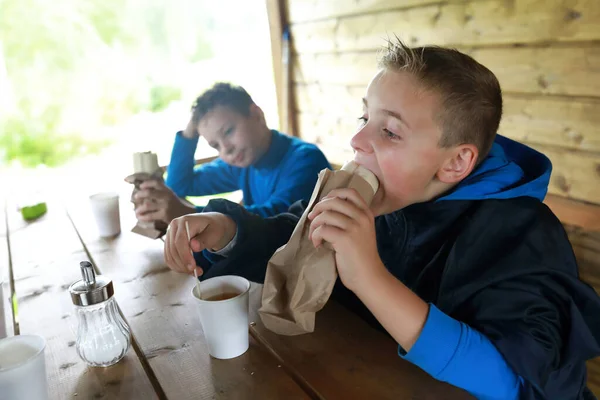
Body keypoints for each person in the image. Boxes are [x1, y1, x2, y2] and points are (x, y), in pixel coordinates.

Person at [162, 40, 600, 399]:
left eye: (389, 131)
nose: (356, 140)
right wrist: (226, 230)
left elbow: (512, 380)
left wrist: (369, 276)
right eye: (365, 117)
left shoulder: (521, 232)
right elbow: (290, 233)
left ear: (455, 163)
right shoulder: (374, 196)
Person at [133, 82, 331, 224]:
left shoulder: (305, 160)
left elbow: (276, 219)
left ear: (257, 115)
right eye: (215, 145)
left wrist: (191, 215)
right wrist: (189, 135)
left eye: (228, 131)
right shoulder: (244, 162)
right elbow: (180, 185)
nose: (225, 149)